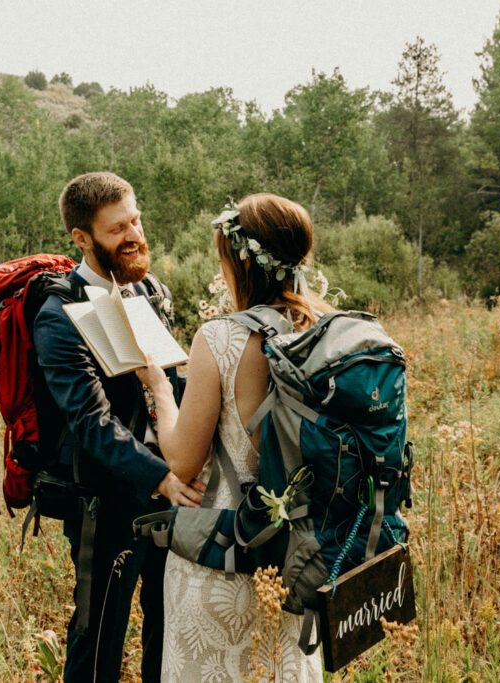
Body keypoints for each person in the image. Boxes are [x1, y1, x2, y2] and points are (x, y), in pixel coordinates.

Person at [136, 193, 332, 682]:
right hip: (300, 558)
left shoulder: (220, 337)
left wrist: (161, 387)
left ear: (240, 261)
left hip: (223, 556)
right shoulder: (328, 328)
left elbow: (181, 460)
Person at [32, 172, 203, 682]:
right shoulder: (58, 314)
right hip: (104, 502)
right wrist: (161, 478)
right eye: (117, 229)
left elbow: (167, 383)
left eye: (136, 220)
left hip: (172, 490)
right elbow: (90, 419)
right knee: (99, 634)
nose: (134, 235)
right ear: (82, 238)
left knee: (169, 625)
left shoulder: (152, 291)